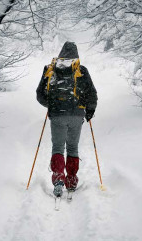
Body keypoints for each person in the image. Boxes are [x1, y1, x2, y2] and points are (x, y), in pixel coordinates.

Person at [36, 42, 98, 197]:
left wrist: (51, 105)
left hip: (57, 115)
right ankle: (71, 181)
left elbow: (40, 95)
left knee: (57, 148)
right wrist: (89, 112)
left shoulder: (50, 69)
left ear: (61, 53)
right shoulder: (81, 70)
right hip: (77, 115)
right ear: (76, 55)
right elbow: (92, 94)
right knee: (72, 148)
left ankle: (58, 181)